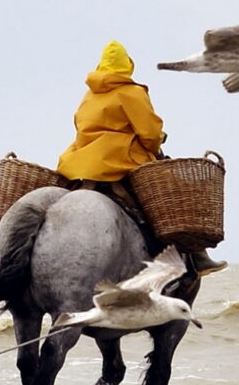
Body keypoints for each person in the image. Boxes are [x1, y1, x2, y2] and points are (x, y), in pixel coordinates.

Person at [54, 40, 164, 243]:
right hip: (121, 162)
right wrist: (155, 144)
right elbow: (150, 133)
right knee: (166, 201)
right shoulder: (132, 93)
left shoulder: (90, 95)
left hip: (81, 164)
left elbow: (80, 125)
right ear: (127, 66)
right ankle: (196, 257)